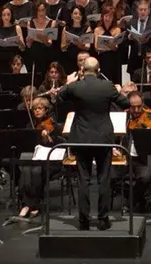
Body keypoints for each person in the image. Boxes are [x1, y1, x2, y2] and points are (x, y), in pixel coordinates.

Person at [56, 57, 130, 230]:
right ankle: (103, 220)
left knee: (84, 179)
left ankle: (83, 220)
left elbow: (58, 99)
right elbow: (125, 103)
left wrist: (68, 83)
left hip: (81, 138)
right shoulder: (107, 86)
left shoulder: (75, 86)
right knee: (104, 179)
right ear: (98, 70)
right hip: (103, 138)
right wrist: (119, 91)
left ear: (82, 70)